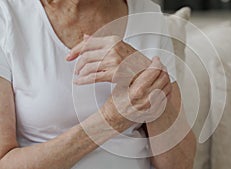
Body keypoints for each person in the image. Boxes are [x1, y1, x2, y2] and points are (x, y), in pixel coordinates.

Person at [0, 0, 196, 168]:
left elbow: (181, 163)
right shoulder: (8, 15)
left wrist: (147, 82)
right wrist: (111, 119)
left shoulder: (148, 16)